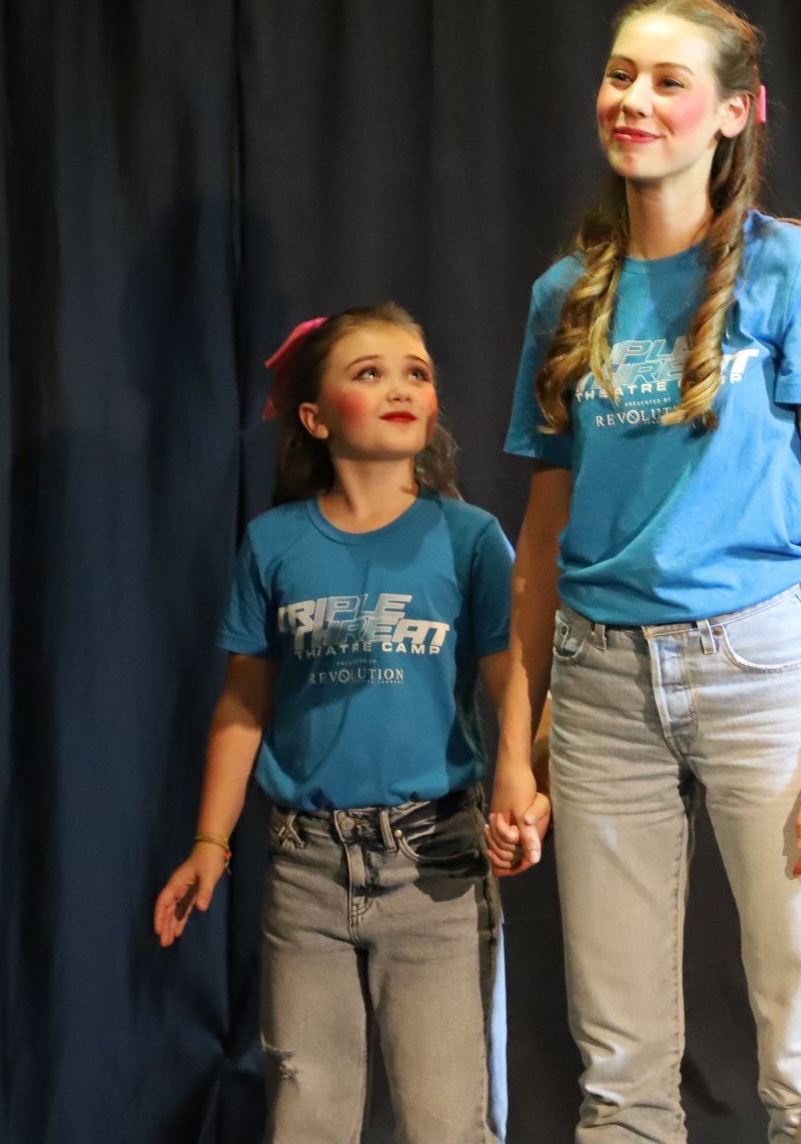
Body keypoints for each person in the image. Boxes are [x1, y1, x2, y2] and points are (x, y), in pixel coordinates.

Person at [486, 0, 801, 1143]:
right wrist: (516, 742)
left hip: (761, 668)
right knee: (619, 1068)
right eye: (621, 75)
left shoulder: (792, 270)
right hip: (601, 685)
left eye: (668, 81)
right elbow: (541, 540)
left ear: (735, 111)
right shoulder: (566, 295)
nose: (634, 100)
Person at [153, 304, 526, 1144]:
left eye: (416, 372)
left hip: (434, 866)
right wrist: (210, 842)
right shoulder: (276, 544)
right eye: (369, 373)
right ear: (316, 419)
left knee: (446, 1120)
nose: (400, 387)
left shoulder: (469, 539)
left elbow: (516, 687)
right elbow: (243, 705)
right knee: (306, 1113)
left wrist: (524, 786)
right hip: (307, 872)